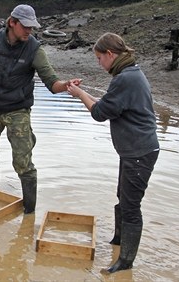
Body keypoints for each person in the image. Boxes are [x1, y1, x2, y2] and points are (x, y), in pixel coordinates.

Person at [0, 4, 81, 214]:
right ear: (12, 23)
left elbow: (52, 83)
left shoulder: (34, 49)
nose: (29, 31)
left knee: (23, 163)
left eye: (32, 27)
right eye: (25, 26)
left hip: (18, 111)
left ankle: (29, 213)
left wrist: (66, 85)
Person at [67, 32, 159, 274]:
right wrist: (89, 97)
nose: (99, 64)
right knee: (124, 196)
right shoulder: (131, 73)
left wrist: (80, 95)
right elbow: (112, 106)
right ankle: (118, 241)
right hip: (136, 150)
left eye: (99, 58)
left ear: (110, 54)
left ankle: (125, 262)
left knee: (131, 206)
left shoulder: (124, 79)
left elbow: (99, 114)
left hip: (139, 151)